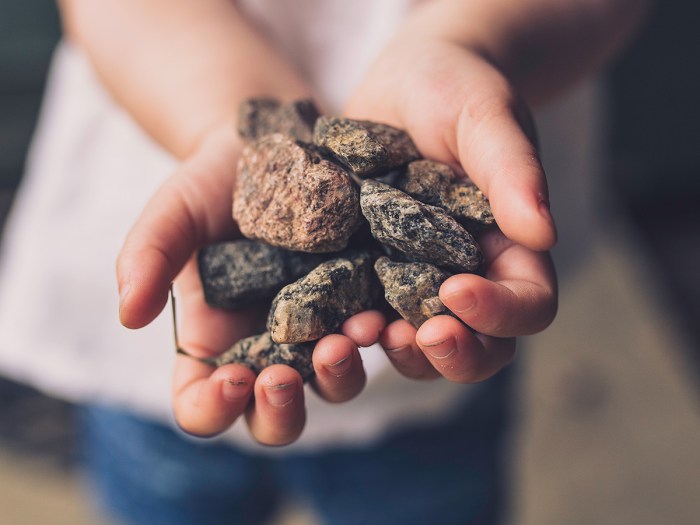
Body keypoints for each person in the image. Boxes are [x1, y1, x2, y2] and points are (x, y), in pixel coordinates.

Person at [0, 0, 648, 523]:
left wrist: (467, 38)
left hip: (440, 376)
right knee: (160, 494)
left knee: (433, 489)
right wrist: (223, 116)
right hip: (158, 321)